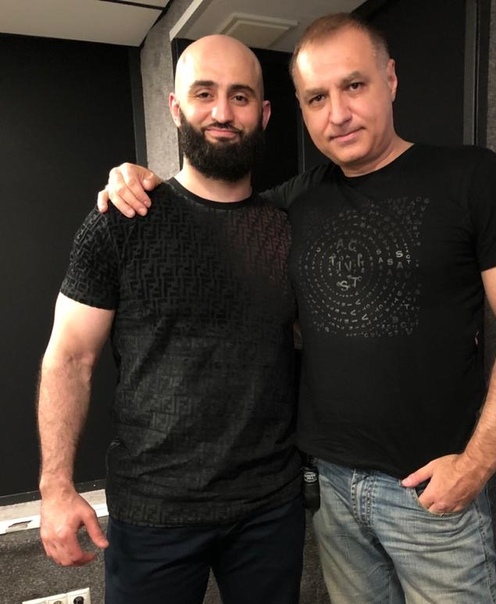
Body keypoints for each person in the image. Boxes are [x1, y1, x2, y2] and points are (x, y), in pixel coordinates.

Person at [98, 13, 496, 604]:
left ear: (391, 79)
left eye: (354, 85)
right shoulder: (295, 201)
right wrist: (139, 182)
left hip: (431, 491)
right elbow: (212, 205)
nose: (337, 113)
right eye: (317, 98)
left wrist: (477, 463)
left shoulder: (471, 177)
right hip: (330, 491)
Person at [37, 35, 305, 604]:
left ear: (263, 113)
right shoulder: (121, 219)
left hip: (268, 507)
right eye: (204, 94)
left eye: (239, 97)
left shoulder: (288, 228)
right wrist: (56, 486)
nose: (222, 112)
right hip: (153, 511)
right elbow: (70, 356)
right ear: (175, 107)